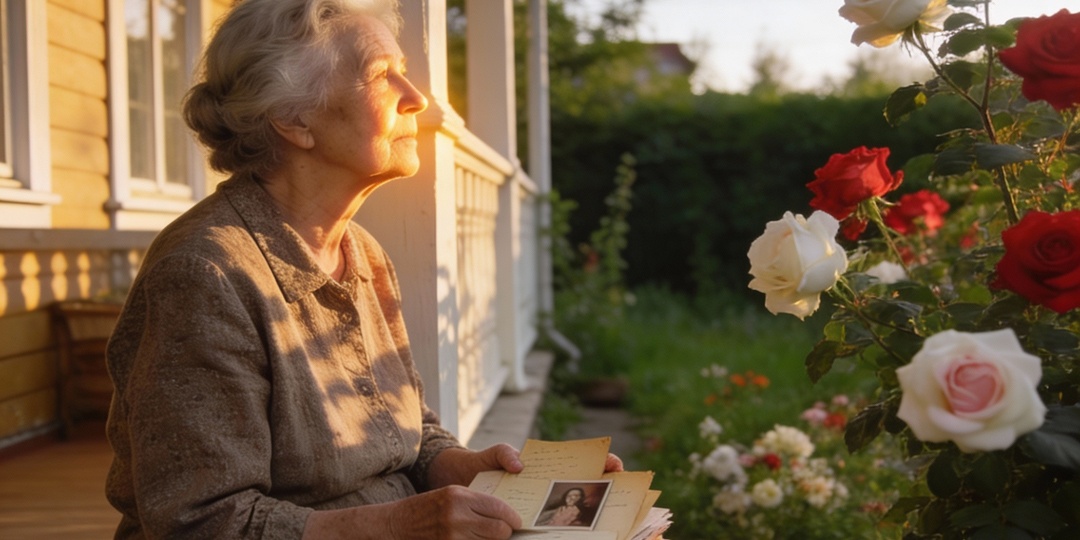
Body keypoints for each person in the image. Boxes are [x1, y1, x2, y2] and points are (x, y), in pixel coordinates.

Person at [103, 1, 621, 539]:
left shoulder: (361, 252)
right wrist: (402, 522)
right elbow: (200, 523)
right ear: (293, 118)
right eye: (382, 75)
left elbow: (406, 432)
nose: (417, 97)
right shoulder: (204, 277)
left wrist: (467, 466)